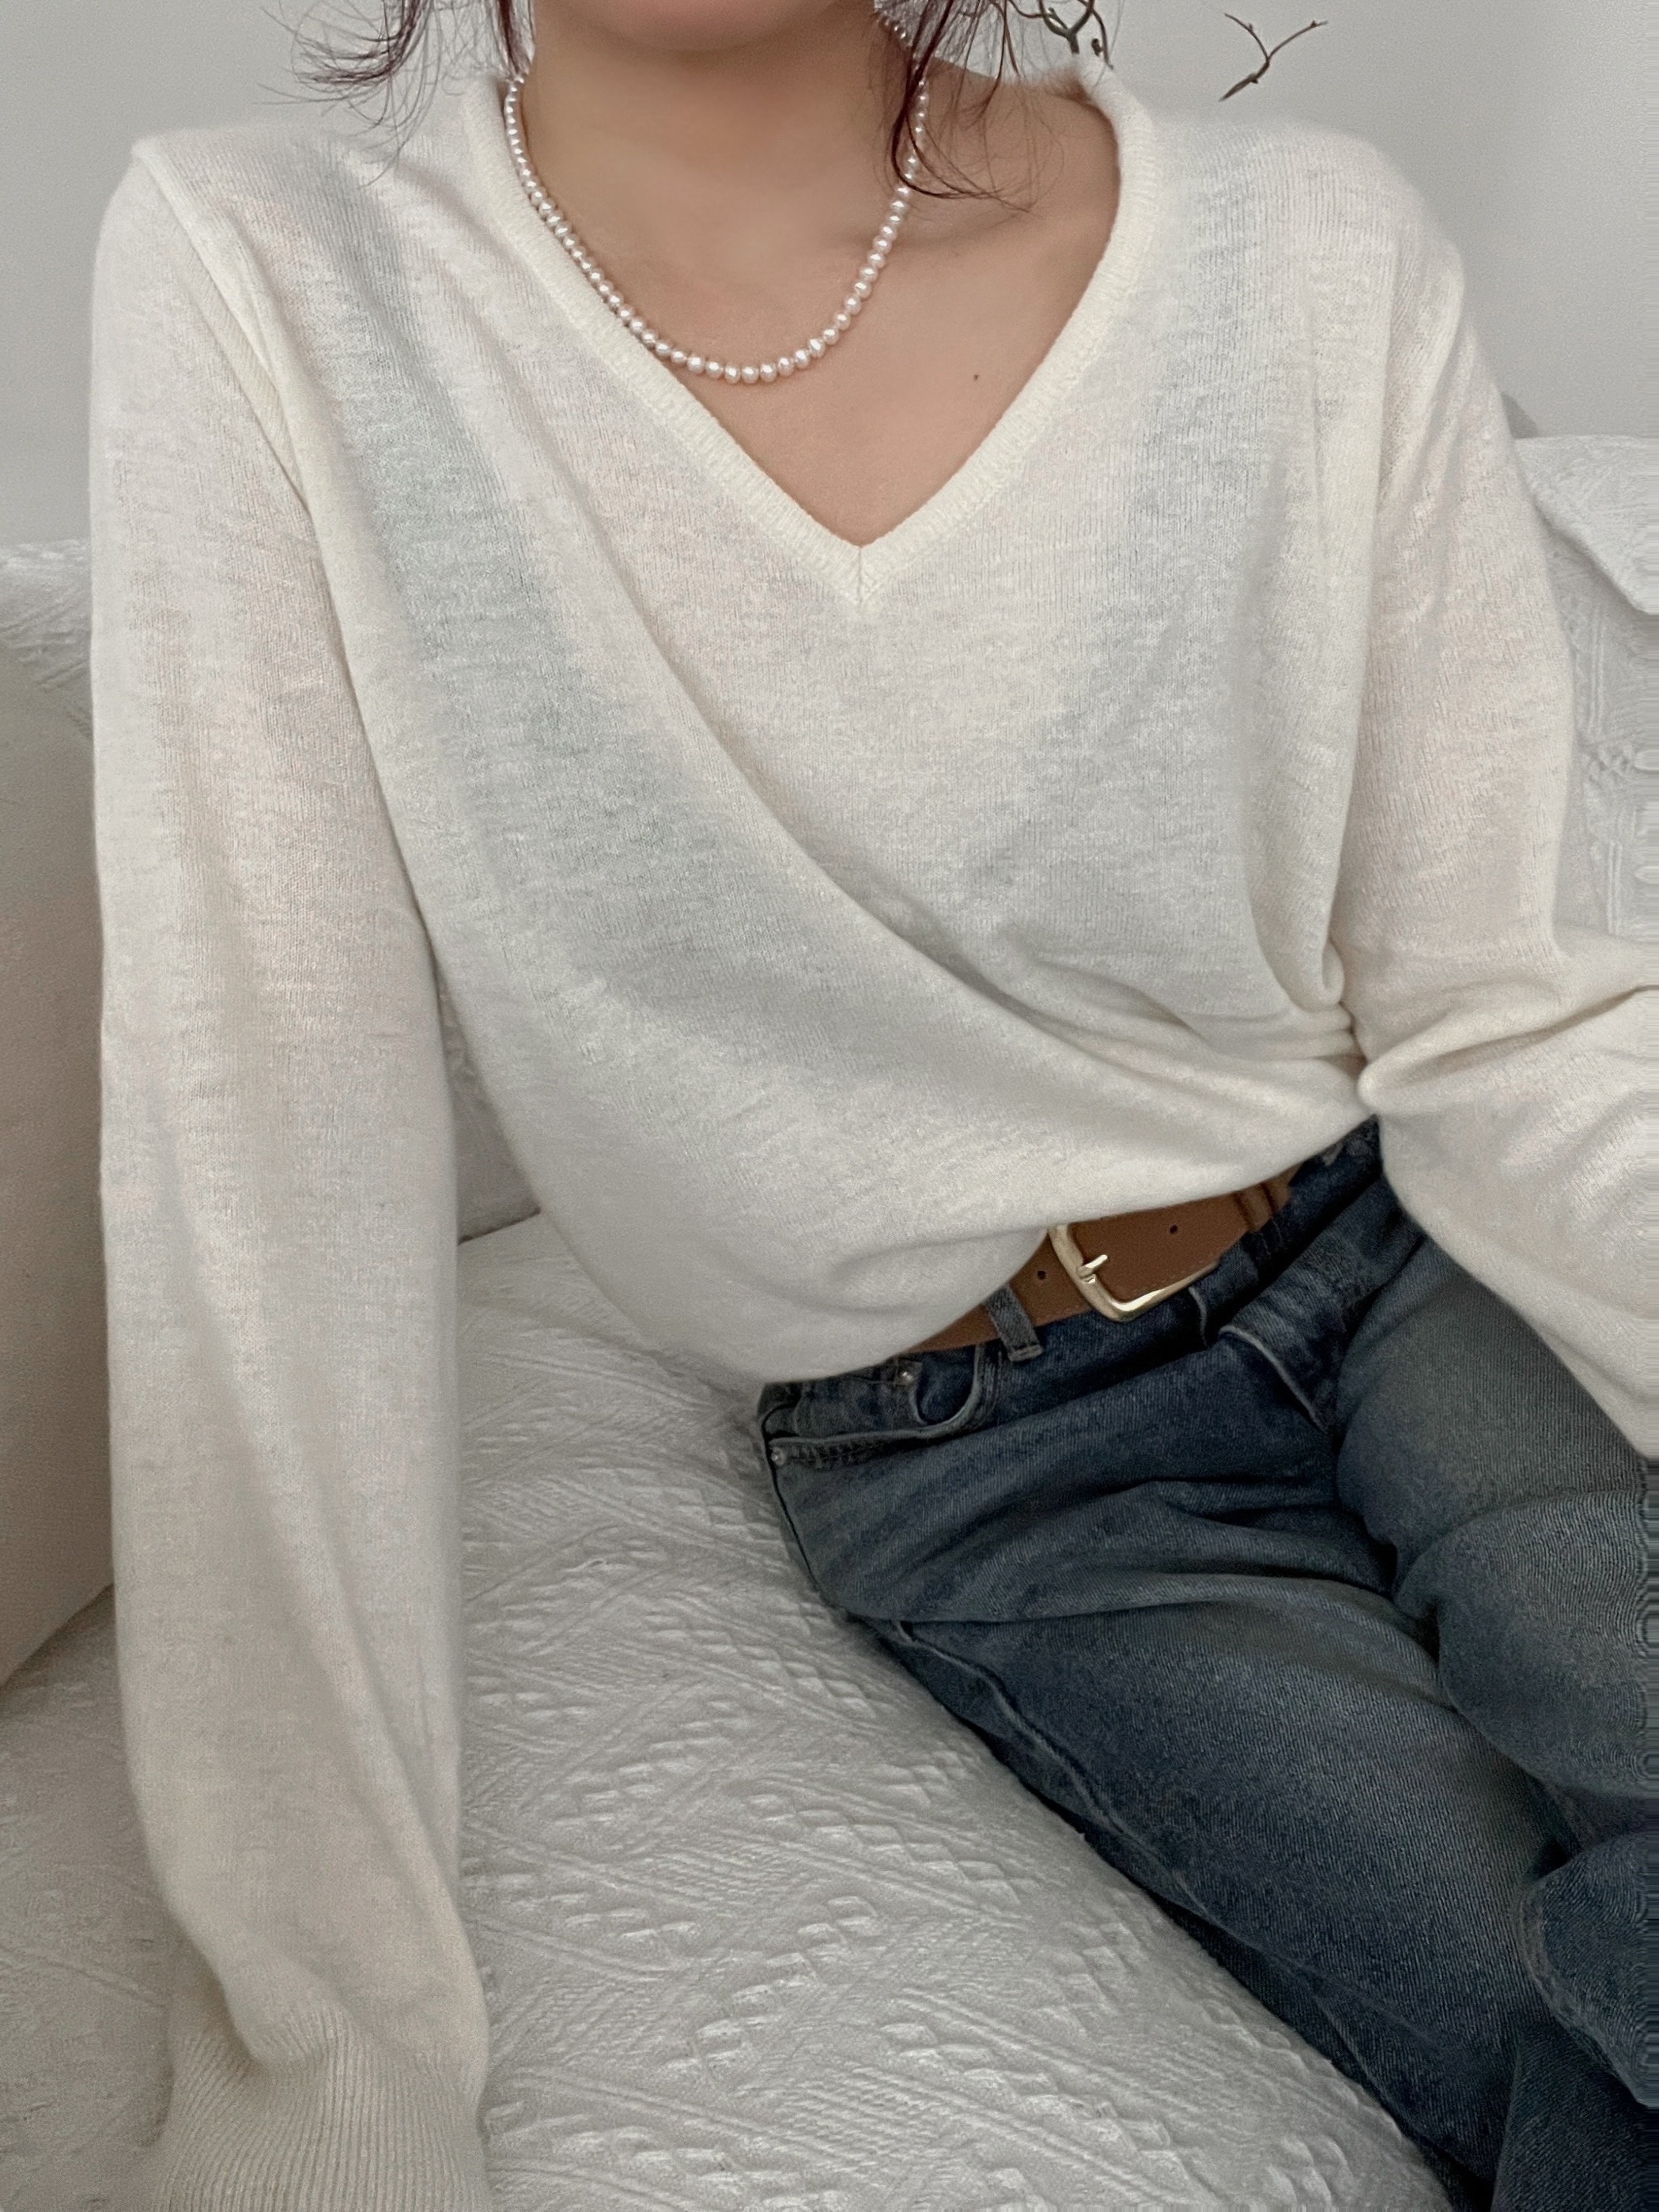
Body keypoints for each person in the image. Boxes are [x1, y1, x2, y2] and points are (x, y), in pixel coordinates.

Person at [86, 0, 1650, 2203]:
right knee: (1522, 2030)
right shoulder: (271, 272)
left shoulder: (1304, 249)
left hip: (1413, 1250)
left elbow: (1513, 1006)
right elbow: (264, 1169)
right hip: (983, 1447)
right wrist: (327, 2060)